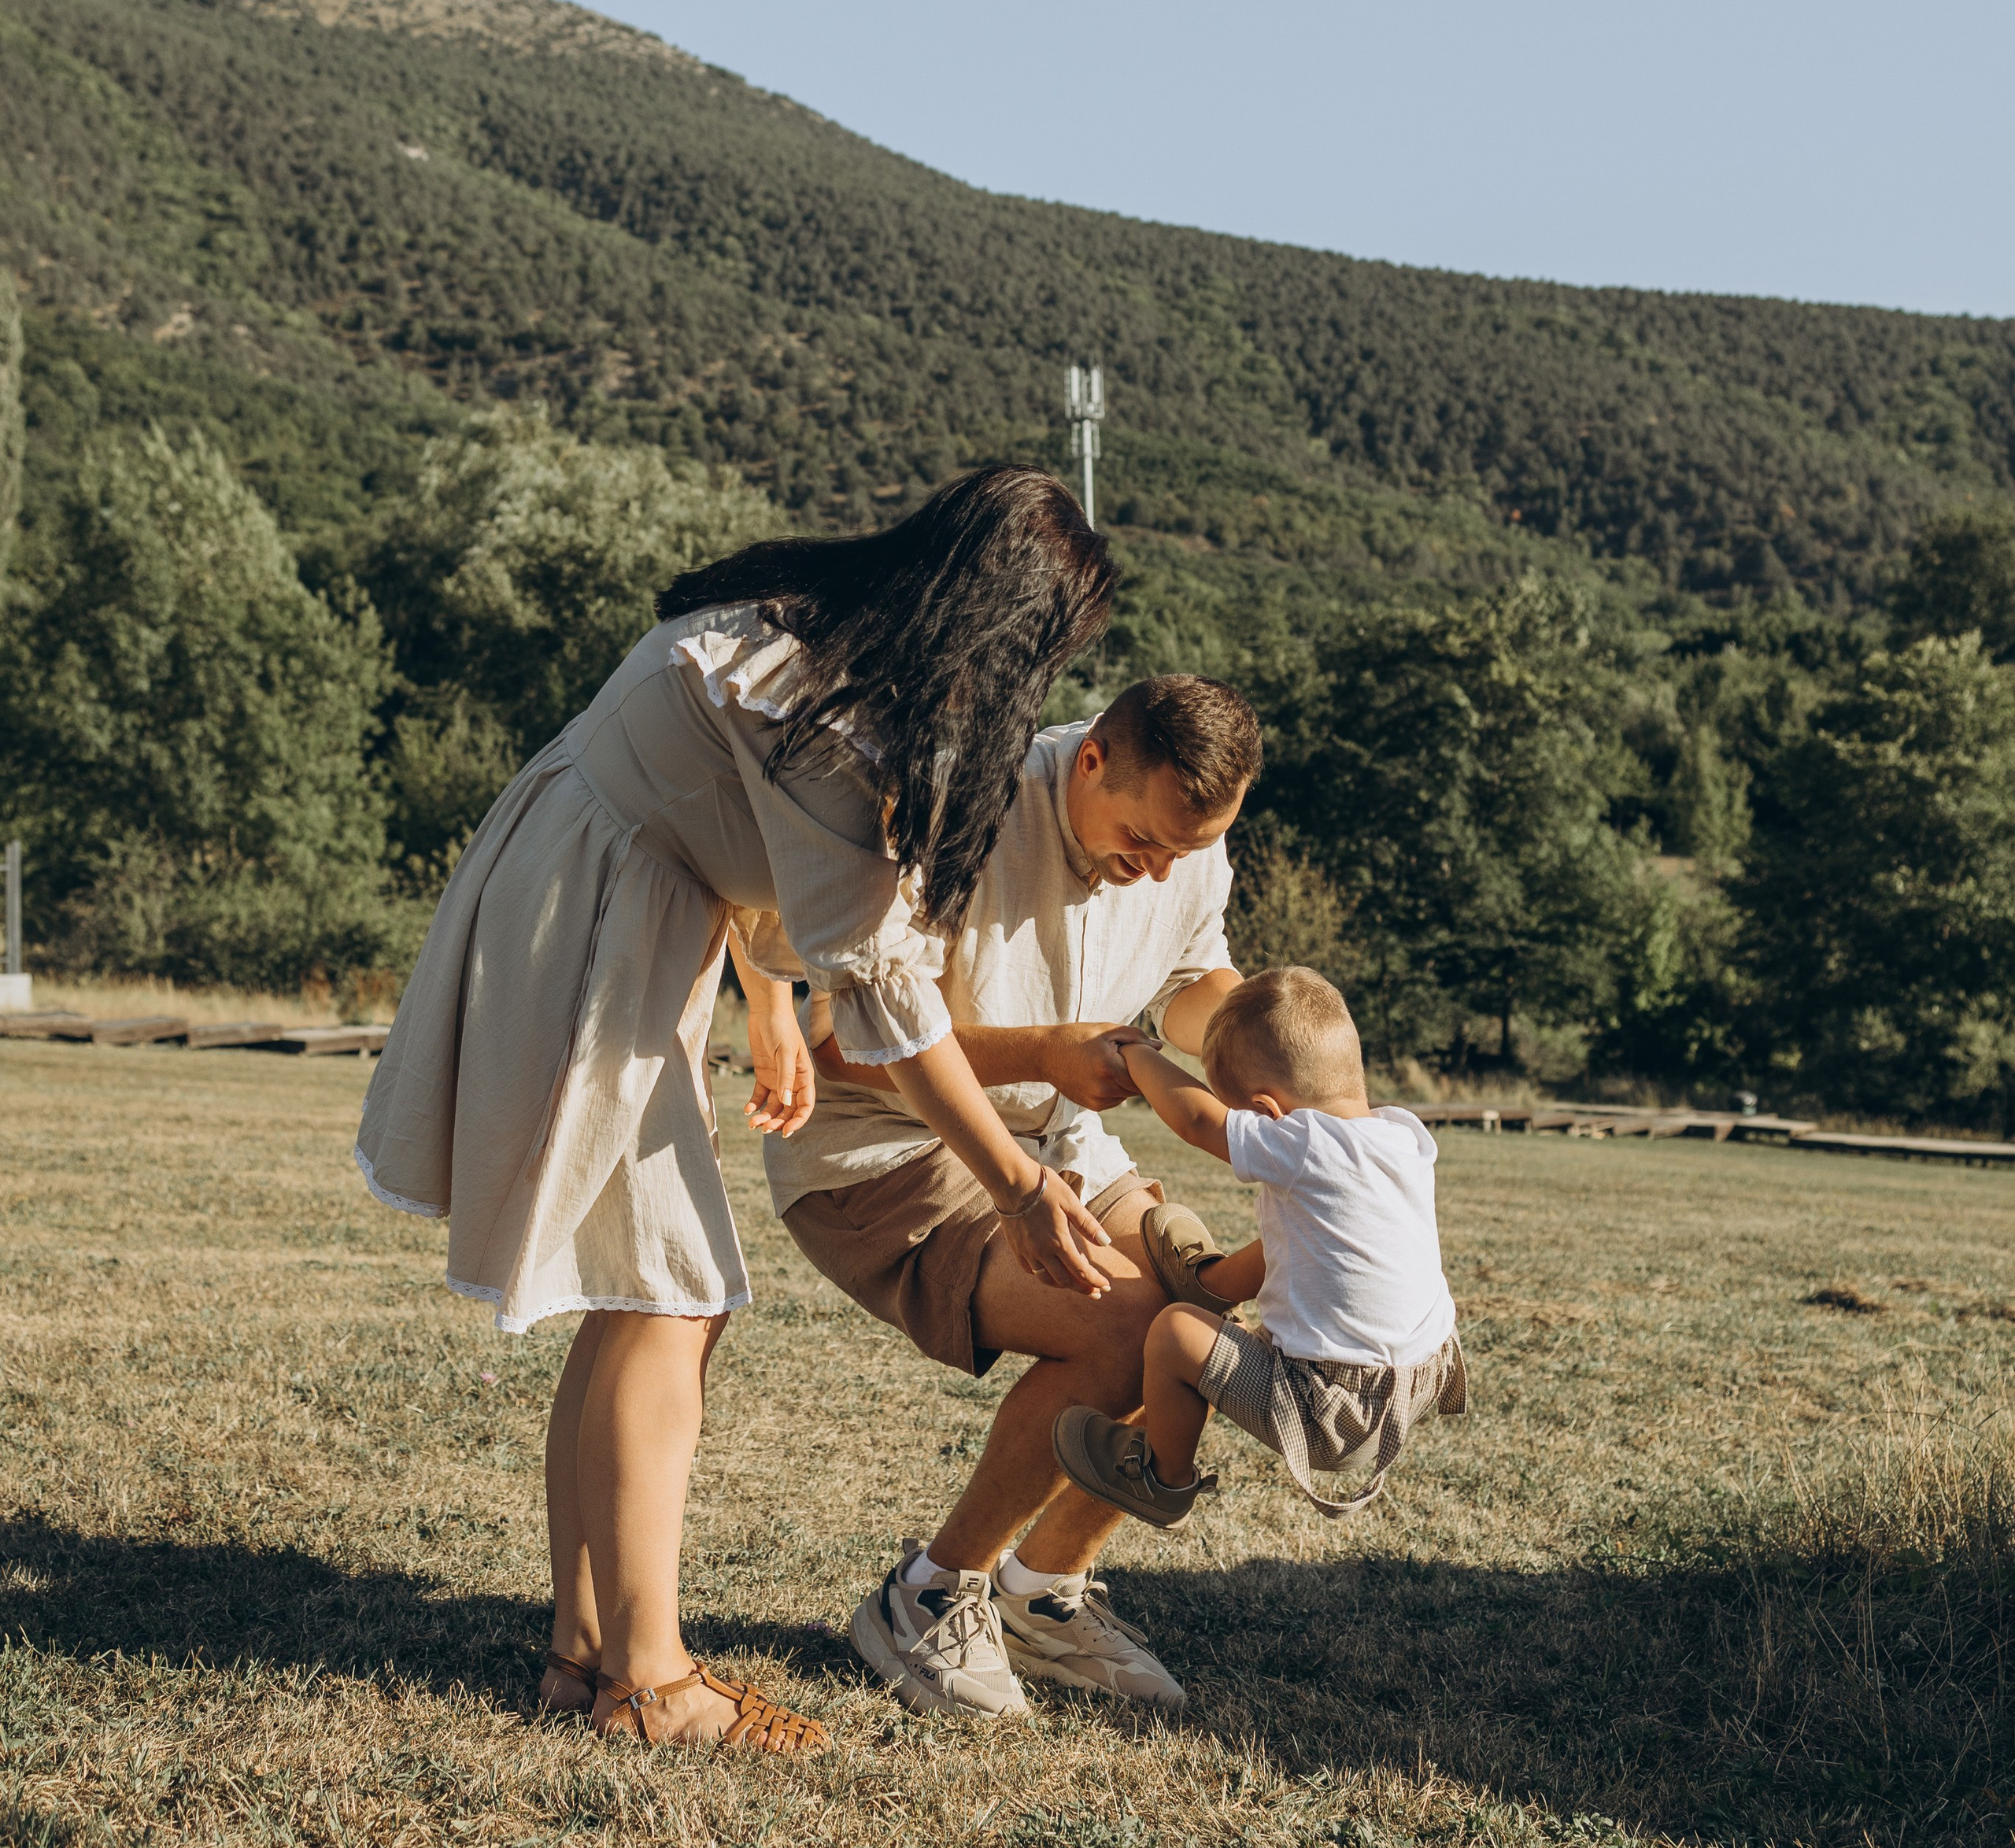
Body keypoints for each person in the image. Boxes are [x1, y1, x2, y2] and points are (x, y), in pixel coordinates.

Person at [353, 465, 1115, 1752]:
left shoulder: (804, 646)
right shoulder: (814, 712)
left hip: (622, 903)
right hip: (590, 922)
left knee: (636, 1291)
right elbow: (887, 994)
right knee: (672, 1290)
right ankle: (650, 1684)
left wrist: (764, 996)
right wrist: (1020, 1183)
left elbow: (747, 851)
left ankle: (582, 1656)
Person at [757, 675, 1261, 1719]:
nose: (1160, 871)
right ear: (1091, 763)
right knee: (1126, 1325)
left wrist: (1287, 1051)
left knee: (1201, 1312)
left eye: (1186, 852)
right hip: (885, 1156)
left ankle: (1044, 1598)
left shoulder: (1184, 842)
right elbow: (835, 1046)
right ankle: (928, 1596)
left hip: (1057, 1135)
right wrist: (1041, 1051)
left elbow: (1197, 983)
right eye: (1144, 841)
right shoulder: (964, 814)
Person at [1053, 966, 1466, 1528]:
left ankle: (1162, 1479)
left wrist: (1134, 1053)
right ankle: (1211, 1286)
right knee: (1309, 1238)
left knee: (1174, 1334)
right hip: (1412, 1383)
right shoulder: (1402, 1134)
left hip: (1327, 1407)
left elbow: (1199, 1121)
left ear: (1269, 1115)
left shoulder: (1307, 1143)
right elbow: (1316, 1248)